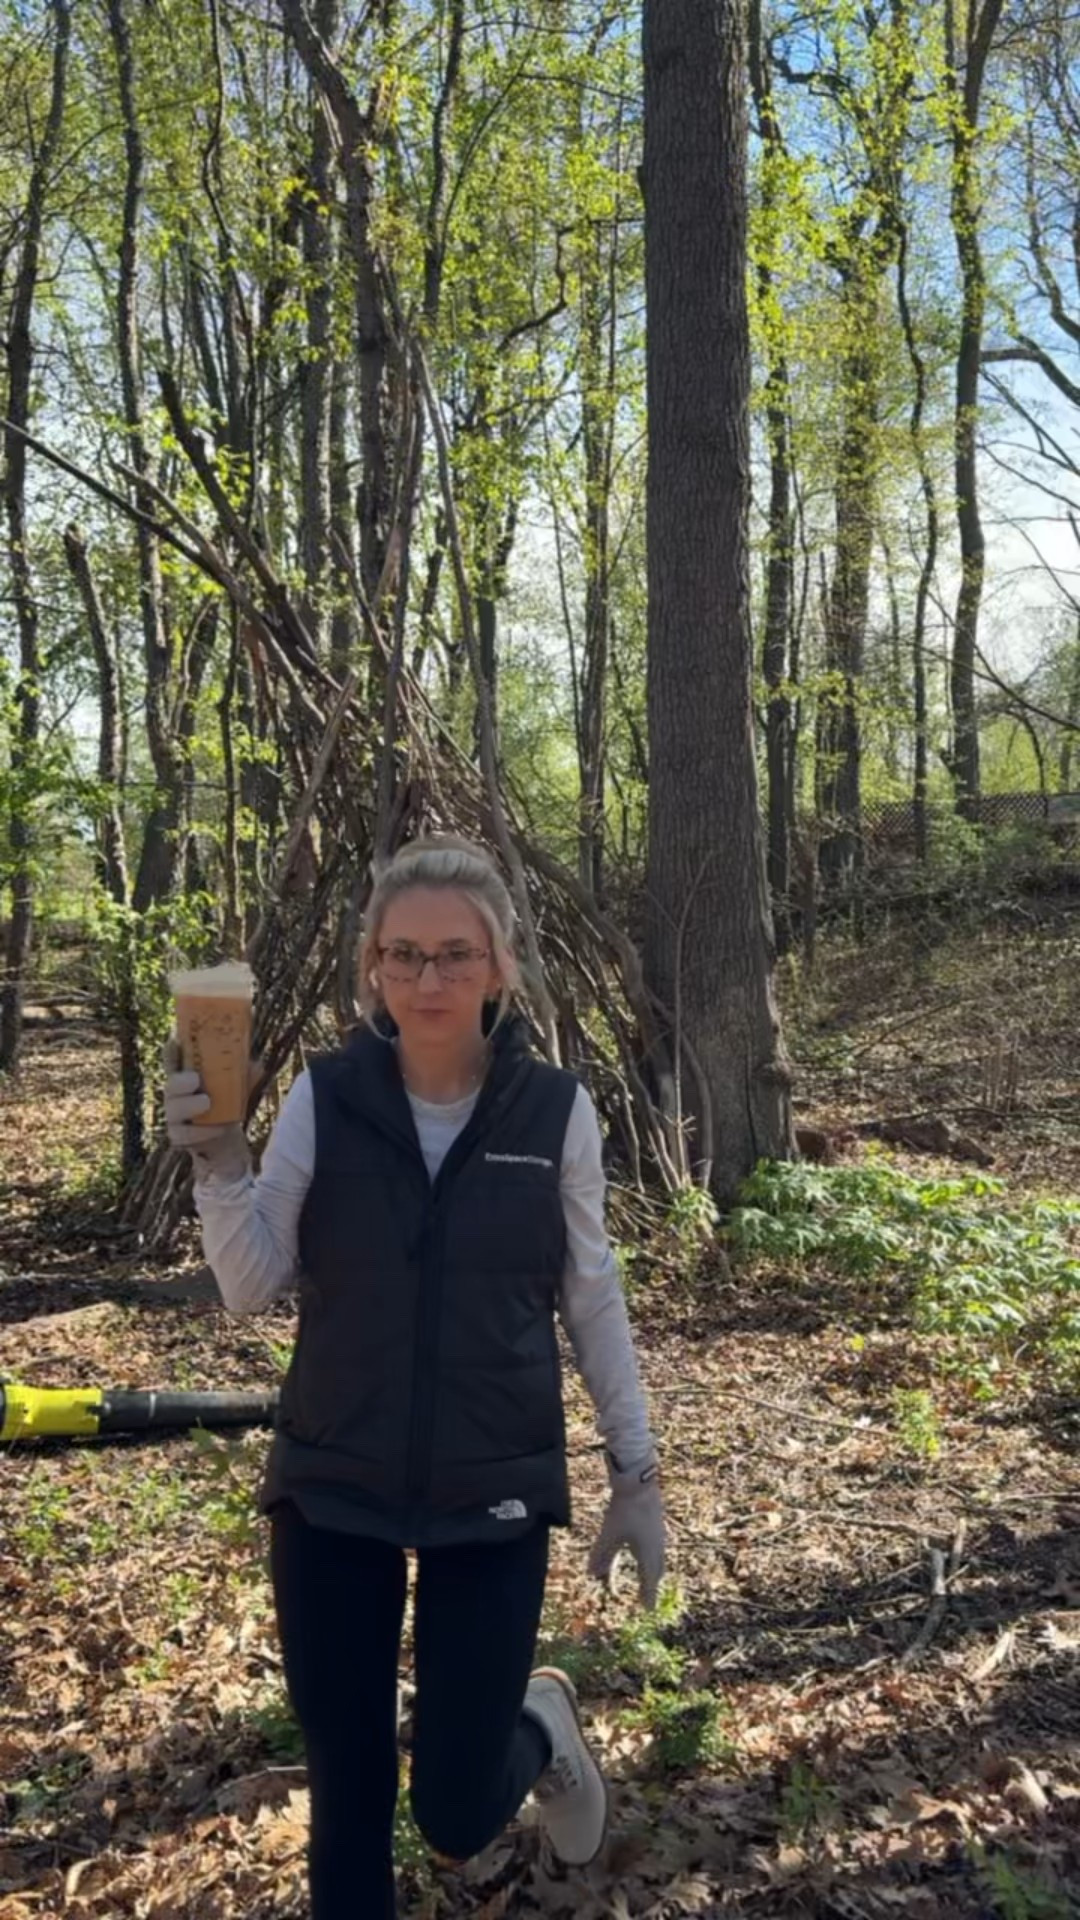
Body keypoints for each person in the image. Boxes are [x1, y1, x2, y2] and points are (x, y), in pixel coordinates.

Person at [164, 835, 665, 1920]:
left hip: (495, 1481)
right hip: (334, 1473)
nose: (428, 980)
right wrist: (218, 1160)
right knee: (347, 1801)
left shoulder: (555, 1113)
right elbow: (252, 1286)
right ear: (371, 969)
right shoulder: (327, 1097)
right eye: (404, 956)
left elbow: (592, 1297)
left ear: (500, 967)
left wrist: (637, 1475)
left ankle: (539, 1731)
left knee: (448, 1811)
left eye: (454, 955)